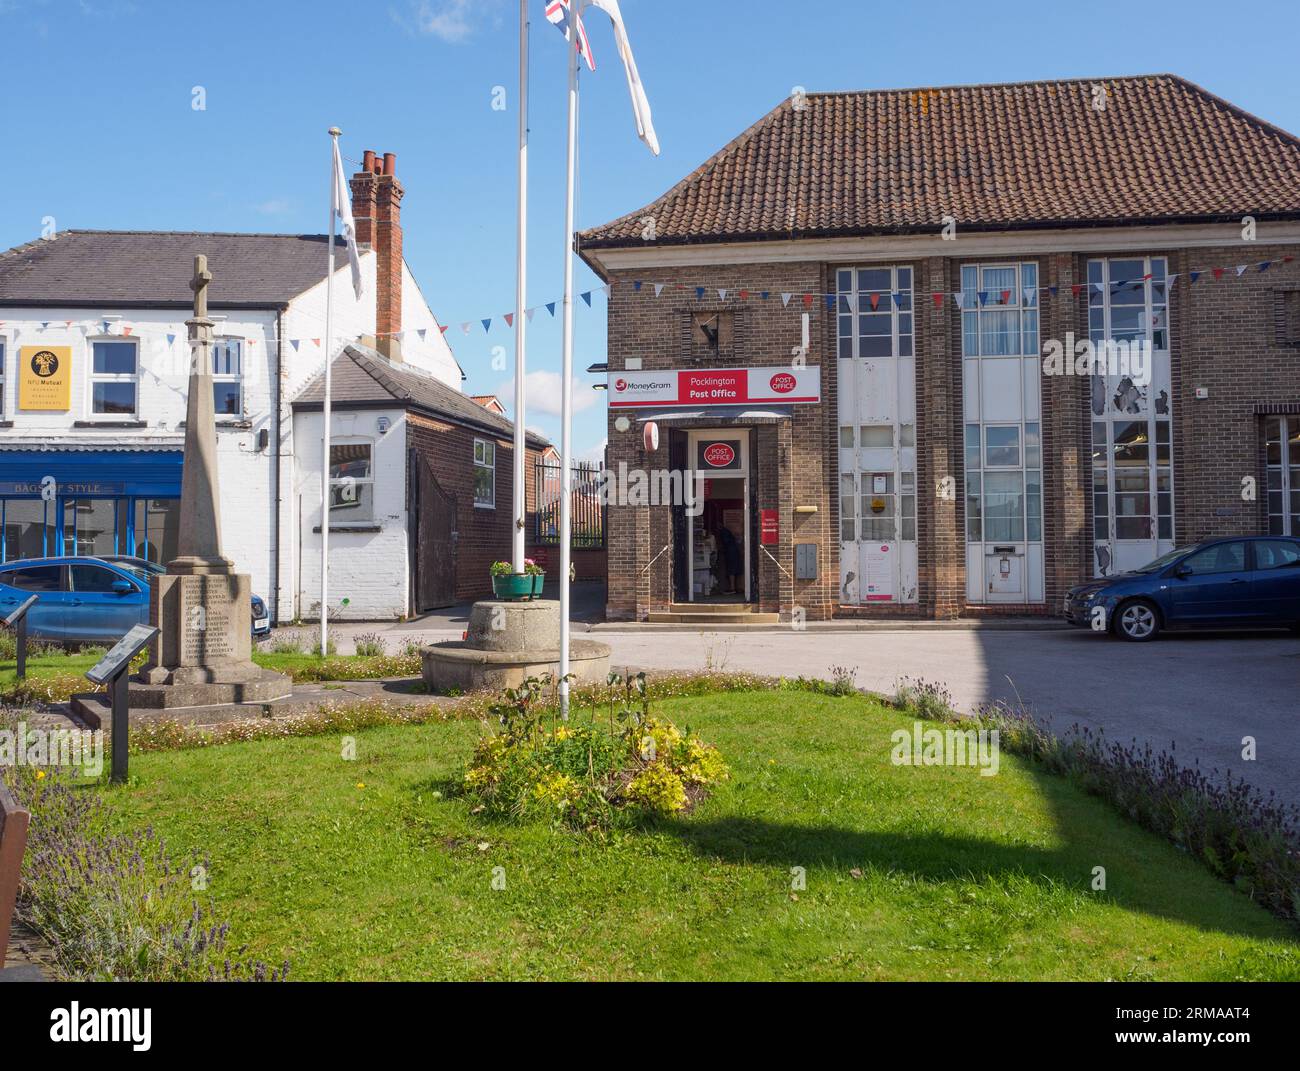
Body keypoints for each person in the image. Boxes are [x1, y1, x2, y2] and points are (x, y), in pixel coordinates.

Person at [716, 524, 741, 594]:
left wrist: (721, 548)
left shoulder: (723, 532)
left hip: (731, 553)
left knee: (731, 570)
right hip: (733, 552)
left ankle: (732, 588)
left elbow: (726, 542)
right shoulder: (727, 532)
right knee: (733, 570)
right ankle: (734, 587)